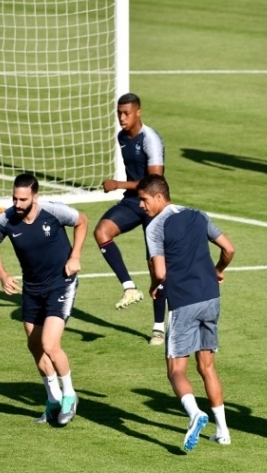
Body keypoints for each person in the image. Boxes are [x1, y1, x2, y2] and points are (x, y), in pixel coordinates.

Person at [137, 174, 235, 451]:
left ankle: (195, 414)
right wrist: (218, 270)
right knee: (207, 367)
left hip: (184, 302)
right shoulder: (198, 215)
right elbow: (229, 248)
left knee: (175, 370)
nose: (141, 206)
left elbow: (160, 271)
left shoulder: (155, 227)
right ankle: (223, 432)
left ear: (159, 196)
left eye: (144, 200)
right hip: (211, 298)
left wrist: (155, 287)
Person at [0, 173, 87, 425]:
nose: (17, 204)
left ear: (35, 197)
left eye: (23, 199)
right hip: (32, 288)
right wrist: (2, 274)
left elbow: (82, 222)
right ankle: (53, 399)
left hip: (61, 284)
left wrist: (75, 257)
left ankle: (69, 396)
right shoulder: (4, 220)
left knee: (50, 345)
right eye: (14, 198)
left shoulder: (53, 211)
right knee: (35, 346)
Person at [94, 92, 167, 345]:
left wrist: (117, 184)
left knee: (155, 268)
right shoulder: (122, 137)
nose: (122, 118)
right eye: (119, 114)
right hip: (132, 201)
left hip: (154, 205)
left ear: (138, 112)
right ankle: (129, 288)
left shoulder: (151, 140)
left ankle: (159, 327)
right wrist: (124, 189)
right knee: (101, 231)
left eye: (126, 113)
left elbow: (155, 182)